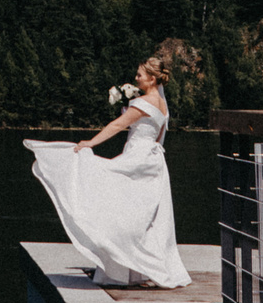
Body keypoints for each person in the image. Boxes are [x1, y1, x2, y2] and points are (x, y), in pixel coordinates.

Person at [22, 51, 192, 288]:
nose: (136, 78)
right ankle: (138, 268)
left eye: (140, 74)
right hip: (154, 161)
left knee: (115, 201)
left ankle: (123, 265)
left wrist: (90, 143)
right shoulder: (163, 105)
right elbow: (159, 137)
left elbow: (118, 125)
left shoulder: (144, 102)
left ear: (152, 79)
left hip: (137, 157)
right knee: (143, 217)